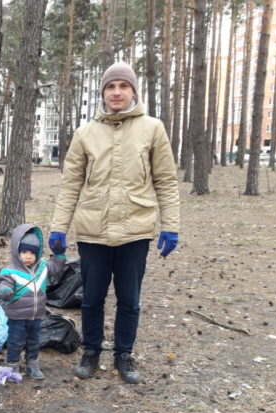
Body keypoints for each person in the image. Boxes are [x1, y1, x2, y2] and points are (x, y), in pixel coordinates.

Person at [48, 61, 180, 384]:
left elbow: (166, 181)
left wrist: (171, 225)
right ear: (103, 93)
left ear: (133, 91)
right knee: (91, 298)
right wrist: (58, 227)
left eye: (123, 86)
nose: (117, 92)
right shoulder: (85, 133)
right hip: (94, 232)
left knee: (129, 300)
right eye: (110, 87)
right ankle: (91, 350)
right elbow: (70, 185)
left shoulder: (152, 129)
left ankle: (124, 354)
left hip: (135, 232)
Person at [0, 223, 66, 380]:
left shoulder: (42, 267)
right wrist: (5, 291)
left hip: (37, 315)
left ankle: (32, 364)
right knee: (15, 341)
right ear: (17, 252)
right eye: (24, 252)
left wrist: (59, 254)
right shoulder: (10, 271)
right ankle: (12, 365)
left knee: (34, 341)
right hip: (17, 316)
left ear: (38, 253)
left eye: (32, 253)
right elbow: (4, 284)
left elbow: (56, 268)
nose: (28, 256)